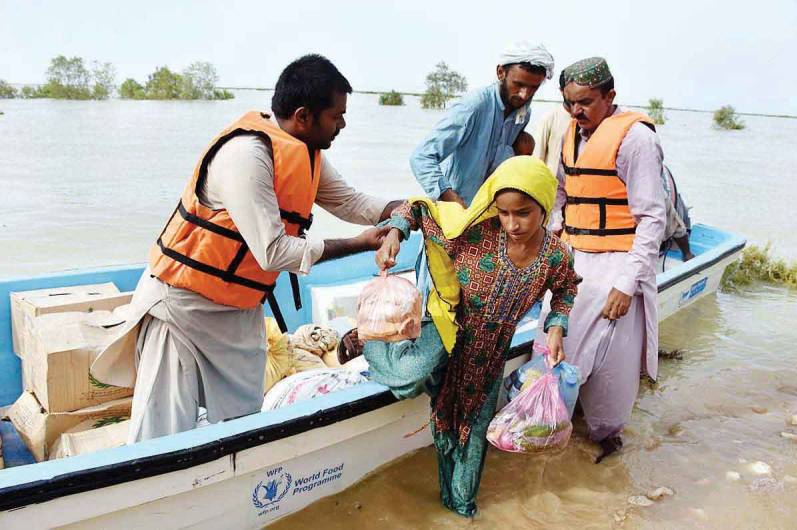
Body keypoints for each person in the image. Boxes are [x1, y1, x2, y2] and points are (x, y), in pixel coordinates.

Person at [91, 54, 399, 443]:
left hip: (237, 311)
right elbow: (272, 252)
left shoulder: (307, 153)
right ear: (304, 115)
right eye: (336, 115)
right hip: (182, 307)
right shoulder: (247, 156)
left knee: (242, 425)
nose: (342, 124)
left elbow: (351, 202)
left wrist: (401, 210)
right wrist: (358, 244)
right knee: (160, 431)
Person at [365, 156, 581, 517]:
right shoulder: (475, 232)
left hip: (491, 351)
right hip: (449, 323)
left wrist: (557, 326)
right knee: (408, 378)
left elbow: (566, 290)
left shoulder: (555, 255)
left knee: (471, 428)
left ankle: (460, 508)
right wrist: (394, 234)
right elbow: (418, 209)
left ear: (544, 205)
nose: (512, 224)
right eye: (504, 213)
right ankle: (368, 340)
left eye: (523, 213)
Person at [537, 57, 666, 463]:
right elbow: (560, 193)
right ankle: (553, 426)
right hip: (574, 258)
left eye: (585, 102)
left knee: (612, 357)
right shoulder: (570, 133)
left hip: (617, 260)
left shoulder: (636, 141)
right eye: (569, 103)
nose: (576, 111)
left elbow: (652, 218)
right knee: (554, 343)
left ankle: (606, 436)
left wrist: (627, 283)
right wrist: (555, 237)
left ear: (610, 96)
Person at [410, 41, 555, 206]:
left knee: (526, 142)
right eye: (519, 84)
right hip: (455, 208)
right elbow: (421, 157)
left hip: (489, 210)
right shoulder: (473, 106)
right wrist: (451, 199)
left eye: (533, 88)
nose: (524, 95)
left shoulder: (523, 113)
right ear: (501, 72)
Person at [532, 70, 572, 176]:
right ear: (562, 91)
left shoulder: (590, 120)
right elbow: (537, 158)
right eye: (571, 92)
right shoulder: (550, 118)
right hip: (553, 188)